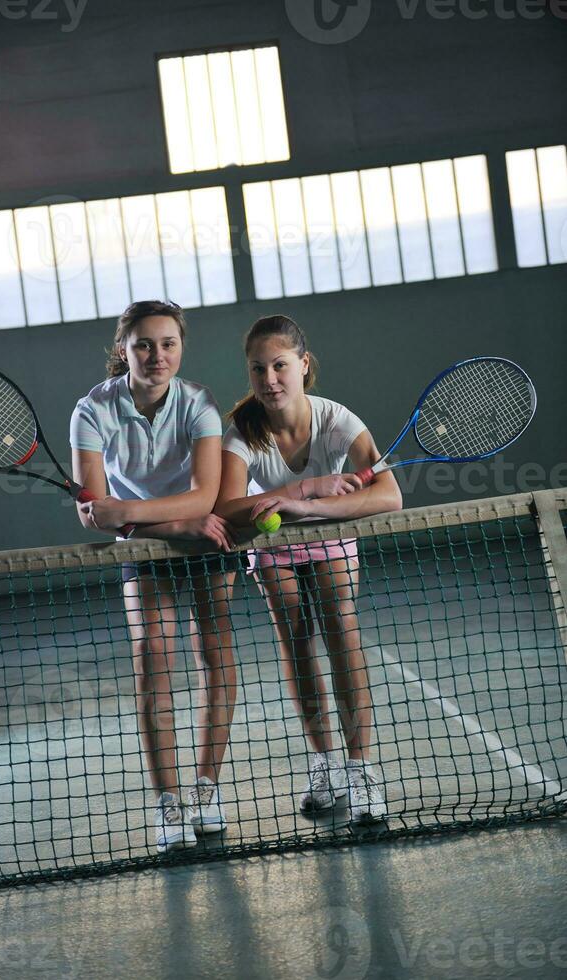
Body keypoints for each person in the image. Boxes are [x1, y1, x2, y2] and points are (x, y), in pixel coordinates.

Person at [215, 314, 402, 821]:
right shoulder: (244, 432)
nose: (269, 379)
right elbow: (226, 507)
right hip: (273, 548)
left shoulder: (337, 420)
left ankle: (361, 770)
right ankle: (322, 762)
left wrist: (311, 509)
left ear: (303, 365)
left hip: (331, 536)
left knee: (342, 632)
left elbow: (389, 496)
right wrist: (298, 493)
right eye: (258, 369)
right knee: (295, 639)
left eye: (279, 366)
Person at [70, 300, 237, 854]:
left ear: (180, 348)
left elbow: (205, 497)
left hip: (201, 537)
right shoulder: (91, 411)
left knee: (215, 655)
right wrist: (168, 519)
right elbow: (93, 508)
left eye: (168, 344)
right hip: (149, 552)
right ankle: (168, 802)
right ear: (124, 349)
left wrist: (133, 512)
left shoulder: (200, 404)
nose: (157, 355)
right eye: (144, 344)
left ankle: (207, 789)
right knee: (153, 659)